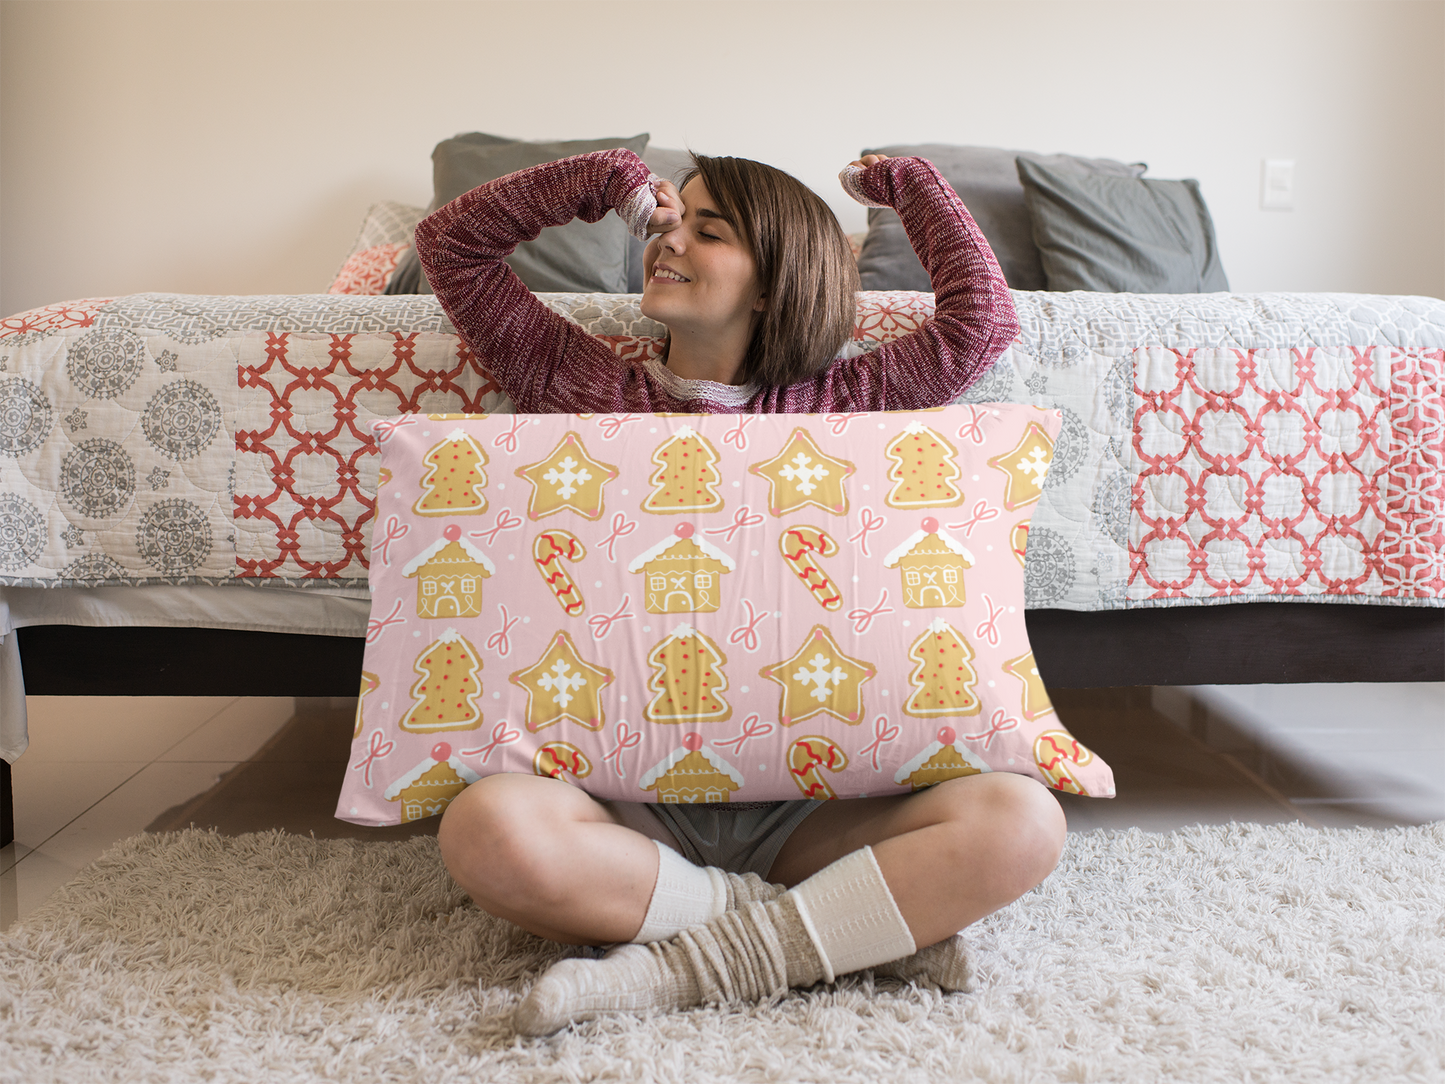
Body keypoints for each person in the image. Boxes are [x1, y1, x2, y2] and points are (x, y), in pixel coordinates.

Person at [414, 148, 1067, 1036]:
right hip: (624, 804)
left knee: (1022, 818)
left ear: (773, 282)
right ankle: (846, 933)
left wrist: (908, 187)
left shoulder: (852, 400)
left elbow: (983, 322)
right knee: (483, 829)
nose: (665, 238)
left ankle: (663, 971)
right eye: (667, 218)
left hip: (816, 807)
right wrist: (594, 183)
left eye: (706, 228)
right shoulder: (584, 386)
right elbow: (451, 246)